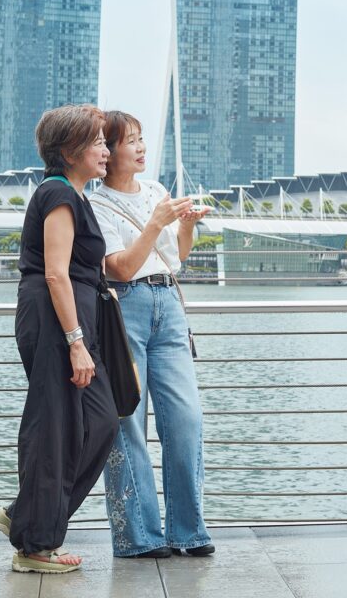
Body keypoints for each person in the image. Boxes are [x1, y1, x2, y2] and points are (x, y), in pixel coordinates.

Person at [0, 104, 119, 574]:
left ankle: (27, 516)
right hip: (55, 321)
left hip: (72, 322)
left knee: (101, 421)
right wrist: (75, 341)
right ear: (69, 151)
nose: (106, 151)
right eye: (97, 143)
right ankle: (36, 546)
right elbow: (55, 273)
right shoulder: (58, 194)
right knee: (55, 428)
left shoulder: (75, 195)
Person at [89, 111, 214, 558]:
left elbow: (175, 257)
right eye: (131, 141)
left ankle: (188, 531)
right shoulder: (95, 204)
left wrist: (186, 225)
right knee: (128, 421)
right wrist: (156, 223)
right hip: (126, 308)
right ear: (109, 151)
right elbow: (120, 267)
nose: (141, 148)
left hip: (169, 303)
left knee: (186, 418)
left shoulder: (157, 191)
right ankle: (138, 537)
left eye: (142, 139)